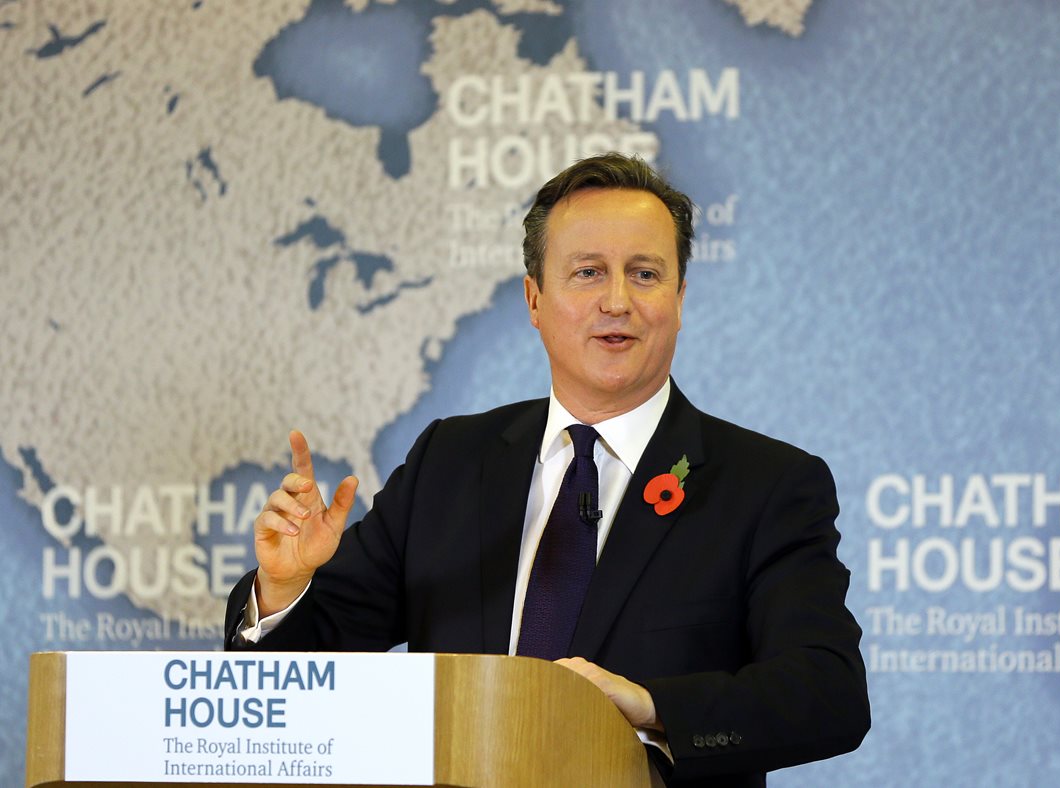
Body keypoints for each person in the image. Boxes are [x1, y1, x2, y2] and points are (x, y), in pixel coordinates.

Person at [225, 153, 870, 787]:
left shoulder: (766, 485)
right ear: (535, 299)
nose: (617, 300)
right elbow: (305, 677)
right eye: (587, 272)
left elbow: (828, 692)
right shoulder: (449, 462)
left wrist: (652, 708)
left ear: (679, 297)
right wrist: (284, 591)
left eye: (645, 274)